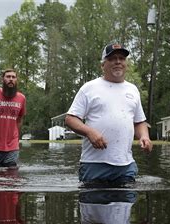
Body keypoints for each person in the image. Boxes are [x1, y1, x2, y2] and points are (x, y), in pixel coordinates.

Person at [65, 43, 152, 183]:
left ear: (126, 63)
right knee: (93, 203)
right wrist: (89, 132)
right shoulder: (89, 88)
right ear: (103, 65)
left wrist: (144, 136)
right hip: (94, 165)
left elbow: (139, 121)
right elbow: (70, 119)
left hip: (126, 165)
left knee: (125, 204)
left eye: (122, 58)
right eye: (112, 58)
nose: (118, 62)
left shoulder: (133, 90)